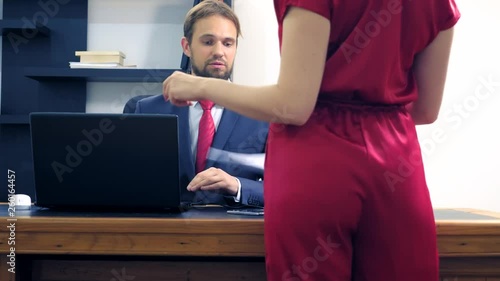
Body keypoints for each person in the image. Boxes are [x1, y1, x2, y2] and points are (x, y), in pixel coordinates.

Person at [163, 0, 460, 280]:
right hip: (396, 159)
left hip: (317, 159)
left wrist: (199, 85)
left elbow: (294, 105)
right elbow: (425, 109)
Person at [135, 0, 268, 207]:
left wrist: (237, 185)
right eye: (208, 42)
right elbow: (131, 182)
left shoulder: (261, 113)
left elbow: (283, 189)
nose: (219, 51)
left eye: (227, 43)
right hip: (163, 233)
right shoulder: (148, 110)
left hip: (234, 234)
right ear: (186, 47)